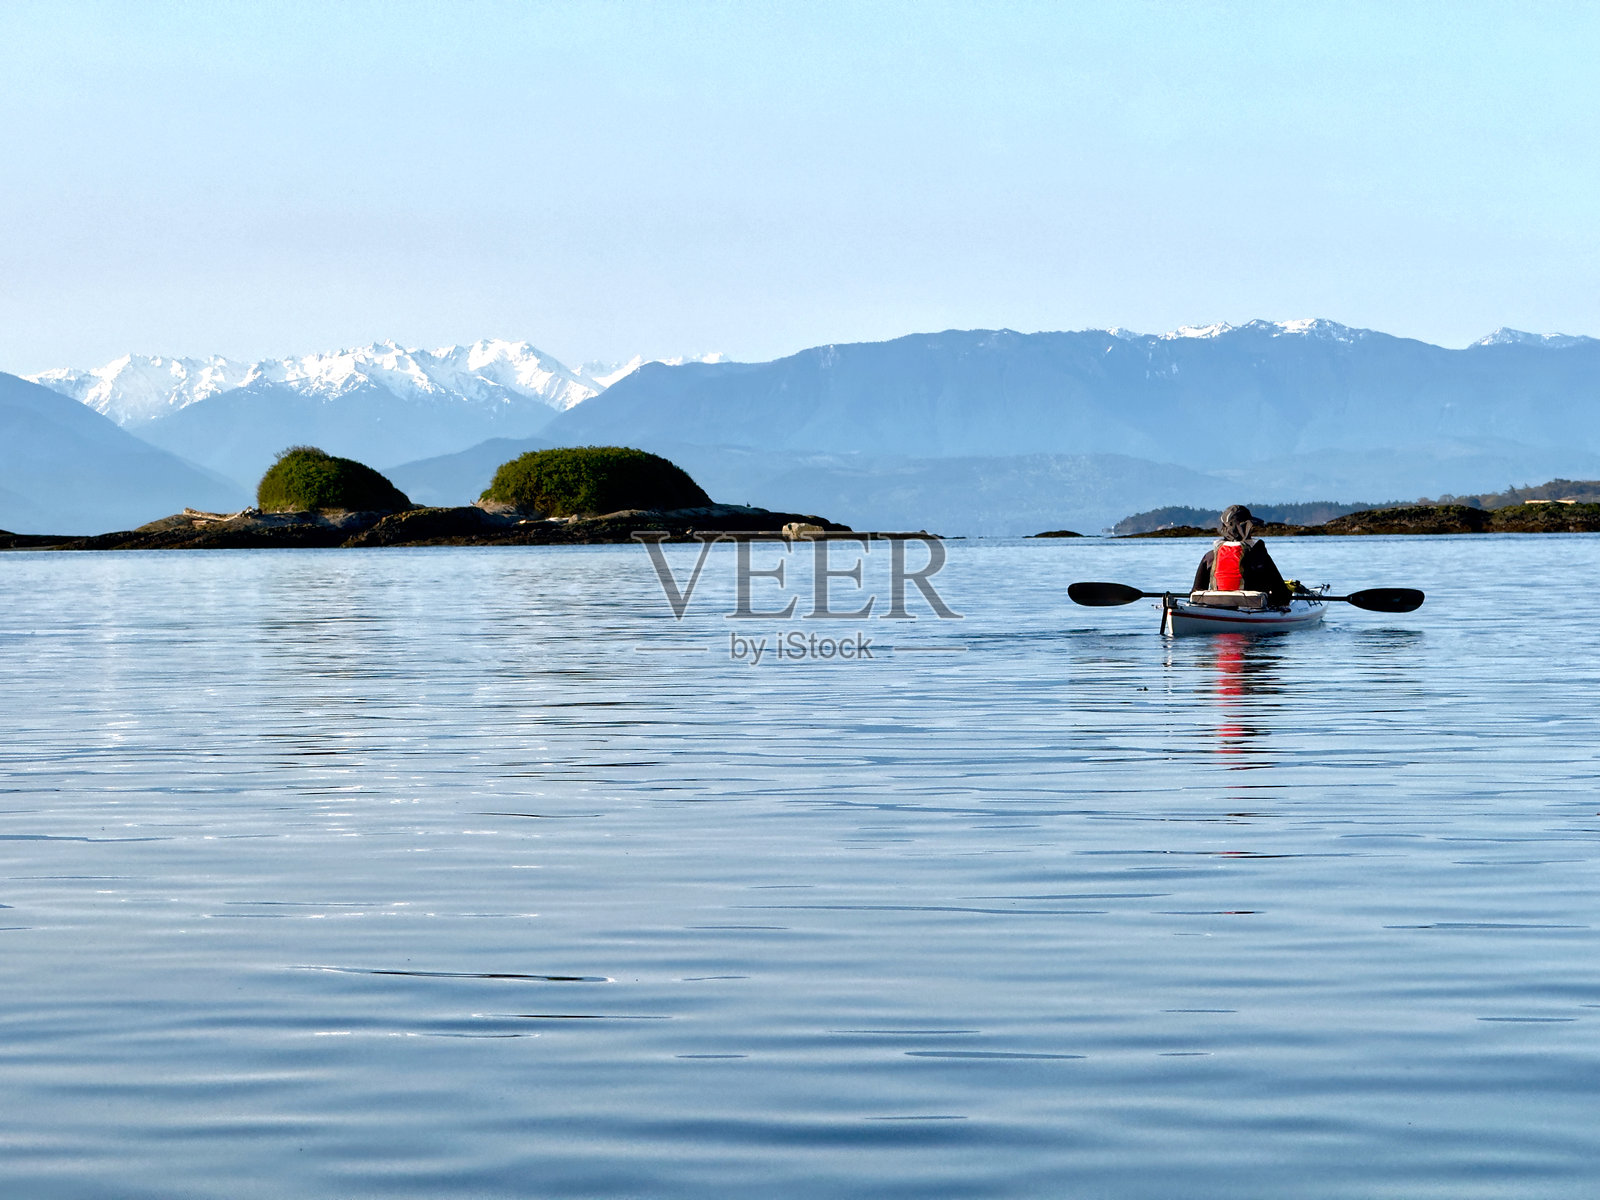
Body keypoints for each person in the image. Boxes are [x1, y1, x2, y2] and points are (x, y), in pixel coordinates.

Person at [1191, 505, 1292, 607]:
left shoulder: (1210, 557)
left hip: (1217, 607)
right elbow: (1281, 593)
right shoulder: (1259, 555)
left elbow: (1195, 592)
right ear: (1247, 528)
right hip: (1253, 607)